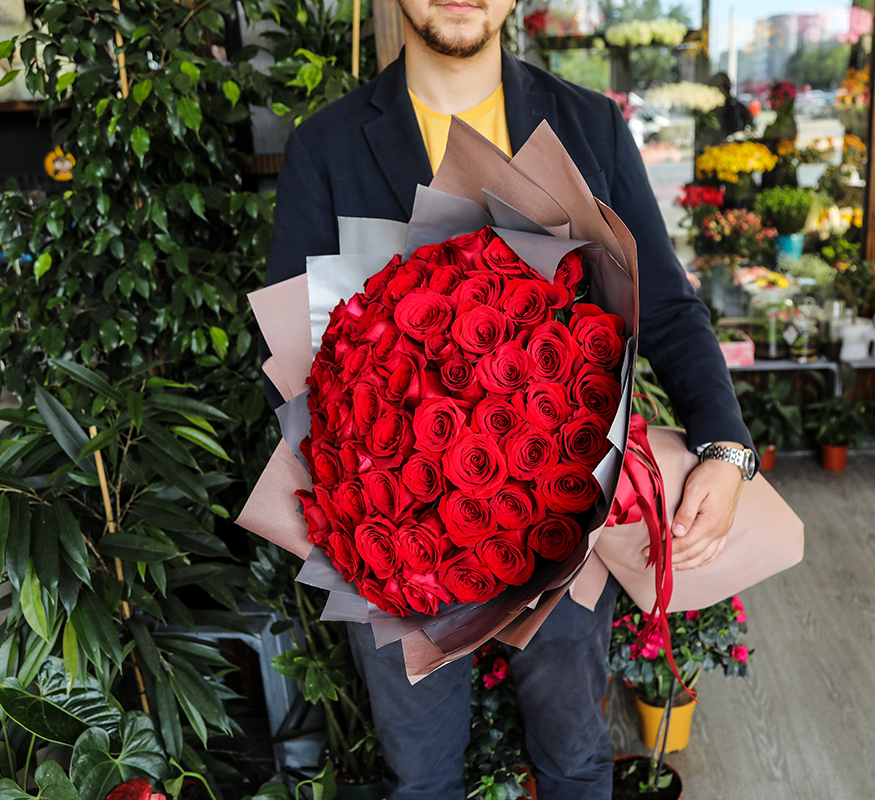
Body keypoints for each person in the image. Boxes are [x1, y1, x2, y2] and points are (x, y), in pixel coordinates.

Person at [263, 1, 757, 797]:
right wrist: (351, 493)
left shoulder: (587, 123)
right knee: (419, 777)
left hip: (566, 513)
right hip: (394, 531)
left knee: (575, 761)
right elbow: (291, 354)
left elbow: (664, 303)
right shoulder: (325, 144)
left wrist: (726, 449)